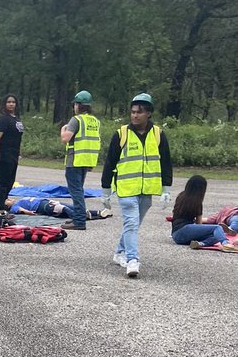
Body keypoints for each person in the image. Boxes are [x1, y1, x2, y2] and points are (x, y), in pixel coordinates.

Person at [101, 93, 173, 279]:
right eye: (132, 112)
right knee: (131, 223)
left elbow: (166, 162)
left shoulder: (158, 134)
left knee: (133, 224)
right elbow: (109, 163)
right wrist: (106, 190)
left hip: (146, 190)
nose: (135, 115)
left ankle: (119, 252)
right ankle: (132, 260)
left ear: (148, 113)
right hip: (126, 188)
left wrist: (166, 188)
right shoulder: (121, 134)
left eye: (139, 112)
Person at [59, 90, 101, 231]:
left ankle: (79, 220)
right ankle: (78, 216)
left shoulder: (76, 120)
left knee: (76, 192)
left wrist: (63, 129)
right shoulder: (94, 121)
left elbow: (65, 139)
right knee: (79, 190)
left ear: (77, 105)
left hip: (75, 160)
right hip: (87, 160)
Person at [170, 176, 235, 250]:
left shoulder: (181, 196)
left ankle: (201, 244)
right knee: (217, 228)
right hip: (185, 229)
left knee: (217, 235)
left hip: (176, 236)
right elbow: (199, 223)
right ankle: (226, 243)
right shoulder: (197, 202)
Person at [0, 95, 25, 212]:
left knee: (10, 181)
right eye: (9, 102)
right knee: (3, 182)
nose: (11, 104)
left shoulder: (16, 119)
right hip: (4, 154)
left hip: (14, 154)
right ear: (4, 104)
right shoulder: (3, 119)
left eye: (13, 102)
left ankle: (4, 202)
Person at [7, 195, 111, 220]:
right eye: (7, 200)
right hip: (43, 206)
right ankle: (80, 217)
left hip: (47, 201)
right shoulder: (14, 206)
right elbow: (19, 210)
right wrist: (28, 212)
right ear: (7, 205)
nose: (10, 199)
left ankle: (98, 213)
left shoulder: (18, 201)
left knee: (73, 207)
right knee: (62, 208)